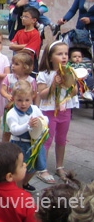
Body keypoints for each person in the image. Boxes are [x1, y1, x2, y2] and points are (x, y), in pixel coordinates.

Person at [36, 41, 77, 184]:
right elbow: (42, 95)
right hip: (49, 110)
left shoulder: (69, 71)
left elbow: (75, 92)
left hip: (65, 110)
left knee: (61, 139)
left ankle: (60, 166)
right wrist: (54, 84)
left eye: (66, 53)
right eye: (59, 54)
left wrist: (70, 81)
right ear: (50, 57)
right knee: (46, 140)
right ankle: (42, 168)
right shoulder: (44, 74)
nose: (64, 57)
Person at [7, 80, 48, 192]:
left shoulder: (34, 109)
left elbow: (45, 118)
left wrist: (42, 121)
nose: (23, 104)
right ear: (14, 98)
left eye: (27, 100)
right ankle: (19, 189)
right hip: (20, 145)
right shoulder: (12, 114)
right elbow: (14, 130)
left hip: (34, 144)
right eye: (19, 100)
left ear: (32, 98)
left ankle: (25, 183)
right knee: (20, 169)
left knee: (35, 166)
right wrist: (27, 125)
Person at [1, 53, 37, 143]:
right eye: (12, 63)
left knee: (23, 128)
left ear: (25, 67)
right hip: (10, 108)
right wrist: (7, 95)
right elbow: (2, 90)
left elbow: (34, 94)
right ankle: (4, 148)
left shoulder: (31, 80)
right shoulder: (8, 78)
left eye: (16, 64)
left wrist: (27, 100)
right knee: (7, 130)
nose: (12, 66)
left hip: (24, 109)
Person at [9, 7, 42, 77]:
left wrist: (17, 50)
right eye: (22, 16)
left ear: (34, 20)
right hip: (18, 65)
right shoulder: (19, 32)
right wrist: (26, 45)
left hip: (29, 66)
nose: (23, 19)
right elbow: (11, 46)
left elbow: (29, 51)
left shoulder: (35, 34)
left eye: (26, 17)